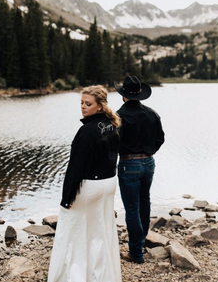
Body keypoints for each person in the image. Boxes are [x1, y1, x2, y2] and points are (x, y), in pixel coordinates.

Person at [48, 85, 122, 282]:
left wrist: (67, 198)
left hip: (91, 187)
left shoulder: (86, 131)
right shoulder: (112, 125)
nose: (83, 107)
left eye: (88, 104)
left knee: (74, 233)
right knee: (101, 231)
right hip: (108, 185)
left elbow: (76, 167)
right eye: (81, 103)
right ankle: (104, 276)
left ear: (99, 106)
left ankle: (74, 277)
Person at [114, 75, 165, 264]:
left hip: (129, 164)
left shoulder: (119, 115)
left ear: (123, 96)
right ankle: (140, 243)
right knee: (145, 202)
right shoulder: (152, 113)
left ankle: (136, 253)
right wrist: (148, 152)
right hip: (149, 163)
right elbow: (160, 139)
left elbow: (113, 142)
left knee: (132, 209)